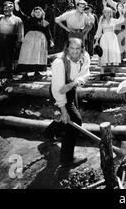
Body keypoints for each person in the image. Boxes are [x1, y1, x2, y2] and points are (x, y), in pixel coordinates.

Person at [51, 37, 90, 168]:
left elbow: (85, 74)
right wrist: (63, 109)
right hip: (58, 92)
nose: (74, 52)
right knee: (75, 120)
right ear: (67, 48)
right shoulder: (59, 62)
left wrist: (73, 83)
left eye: (77, 49)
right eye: (72, 49)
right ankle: (67, 159)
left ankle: (49, 133)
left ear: (82, 49)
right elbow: (57, 89)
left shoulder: (85, 57)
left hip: (71, 88)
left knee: (70, 118)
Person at [14, 0, 54, 80]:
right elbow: (20, 13)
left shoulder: (46, 23)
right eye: (36, 12)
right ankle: (25, 74)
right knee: (27, 55)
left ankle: (37, 73)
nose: (37, 13)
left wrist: (51, 41)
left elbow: (48, 33)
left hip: (41, 41)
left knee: (38, 56)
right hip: (30, 40)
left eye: (39, 12)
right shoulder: (29, 19)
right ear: (33, 13)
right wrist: (16, 3)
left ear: (42, 13)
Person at [94, 7, 124, 79]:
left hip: (112, 38)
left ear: (111, 13)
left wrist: (120, 11)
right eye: (106, 12)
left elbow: (122, 19)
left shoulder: (113, 20)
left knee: (112, 53)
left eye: (109, 12)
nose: (107, 13)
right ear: (103, 13)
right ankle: (102, 71)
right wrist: (96, 41)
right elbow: (99, 31)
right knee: (103, 53)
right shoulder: (101, 20)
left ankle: (112, 71)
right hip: (104, 38)